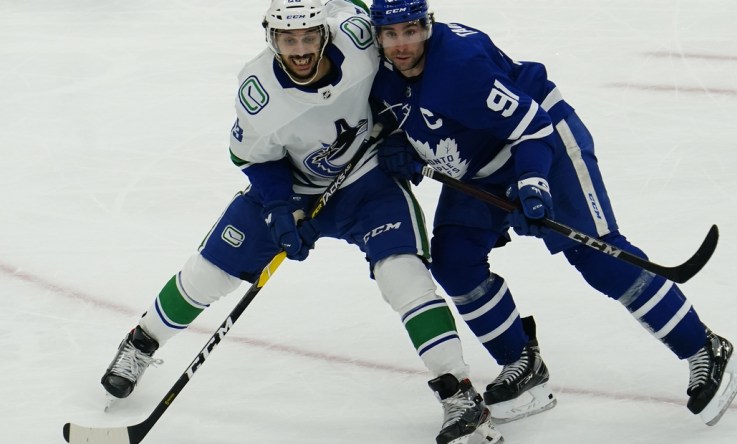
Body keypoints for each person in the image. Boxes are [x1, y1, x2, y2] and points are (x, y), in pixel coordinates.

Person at [100, 1, 502, 443]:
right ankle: (141, 342)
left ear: (325, 34)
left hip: (368, 183)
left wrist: (397, 133)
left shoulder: (359, 38)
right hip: (293, 187)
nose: (300, 50)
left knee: (403, 275)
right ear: (271, 38)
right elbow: (252, 158)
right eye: (288, 40)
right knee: (209, 273)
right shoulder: (258, 92)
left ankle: (458, 393)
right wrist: (278, 206)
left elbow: (401, 71)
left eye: (309, 37)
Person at [368, 0, 737, 427]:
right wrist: (398, 143)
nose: (402, 44)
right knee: (455, 264)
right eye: (391, 34)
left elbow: (532, 127)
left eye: (411, 31)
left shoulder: (459, 68)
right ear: (377, 34)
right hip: (478, 165)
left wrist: (533, 182)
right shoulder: (378, 70)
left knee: (596, 256)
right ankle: (522, 363)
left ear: (427, 26)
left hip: (543, 142)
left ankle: (703, 347)